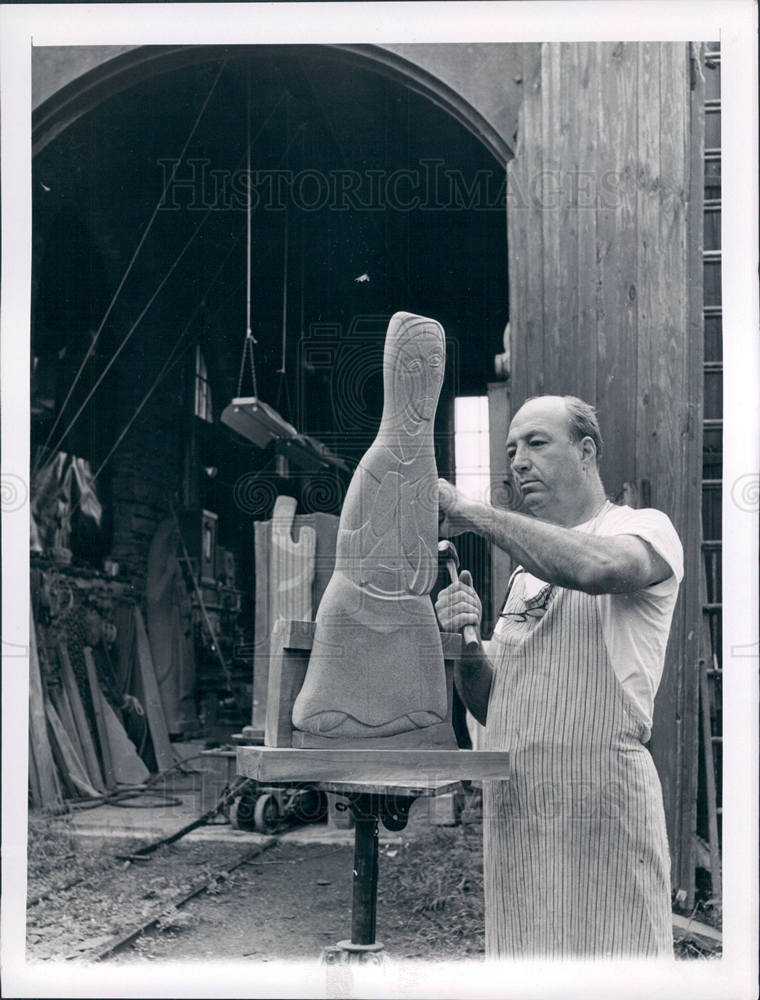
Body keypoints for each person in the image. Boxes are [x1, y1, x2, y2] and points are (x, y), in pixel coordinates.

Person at [435, 394, 683, 959]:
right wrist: (466, 645)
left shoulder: (642, 529)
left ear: (587, 451)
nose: (518, 461)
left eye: (537, 443)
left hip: (601, 813)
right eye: (511, 450)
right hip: (520, 815)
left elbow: (599, 568)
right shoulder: (527, 574)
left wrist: (470, 510)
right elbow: (492, 704)